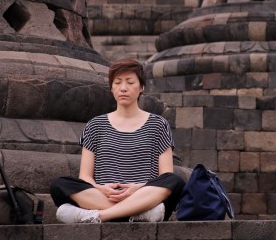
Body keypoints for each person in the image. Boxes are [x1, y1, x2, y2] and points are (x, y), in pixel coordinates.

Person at [50, 58, 185, 223]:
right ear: (111, 87)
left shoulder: (158, 125)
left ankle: (99, 216)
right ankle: (138, 214)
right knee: (59, 185)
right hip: (104, 195)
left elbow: (165, 174)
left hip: (143, 193)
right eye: (118, 82)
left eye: (130, 82)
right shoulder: (95, 125)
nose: (123, 88)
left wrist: (138, 188)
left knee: (175, 181)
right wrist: (102, 189)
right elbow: (85, 176)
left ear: (141, 87)